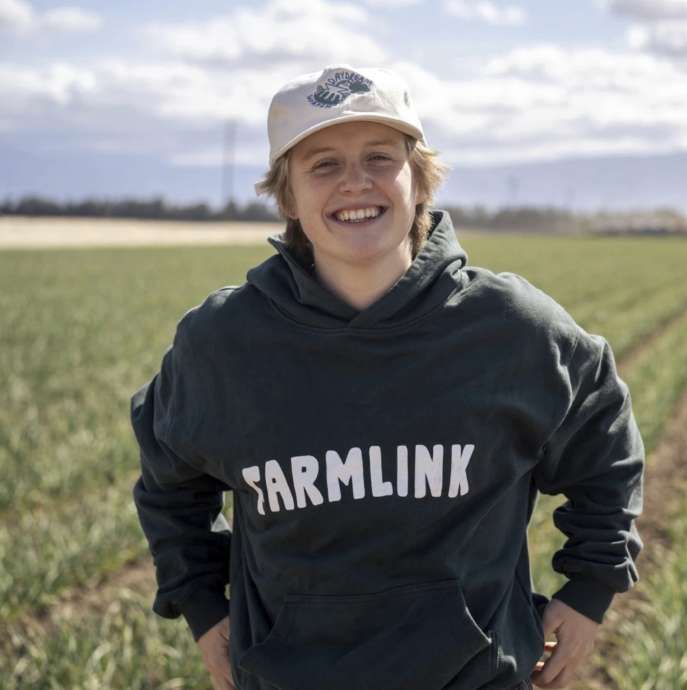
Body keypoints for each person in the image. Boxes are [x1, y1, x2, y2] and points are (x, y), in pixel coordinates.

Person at [130, 64, 645, 690]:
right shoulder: (223, 345)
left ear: (419, 178)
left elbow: (605, 446)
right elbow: (168, 482)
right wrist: (205, 608)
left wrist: (591, 588)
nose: (355, 182)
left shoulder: (510, 329)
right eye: (323, 164)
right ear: (287, 195)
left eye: (380, 158)